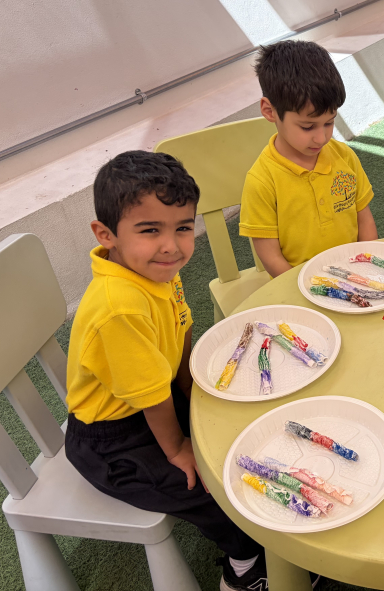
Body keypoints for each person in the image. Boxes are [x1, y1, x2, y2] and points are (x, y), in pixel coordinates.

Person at [63, 151, 269, 591]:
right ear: (106, 235)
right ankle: (245, 567)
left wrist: (193, 393)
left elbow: (181, 328)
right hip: (112, 441)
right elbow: (150, 395)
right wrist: (178, 448)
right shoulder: (118, 307)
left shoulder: (157, 270)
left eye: (183, 228)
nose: (172, 245)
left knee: (236, 435)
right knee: (210, 486)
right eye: (150, 230)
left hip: (157, 397)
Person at [239, 40, 377, 277]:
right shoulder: (262, 181)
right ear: (270, 111)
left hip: (356, 276)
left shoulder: (344, 157)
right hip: (297, 284)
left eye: (329, 122)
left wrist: (367, 268)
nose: (321, 138)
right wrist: (304, 288)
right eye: (307, 126)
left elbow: (364, 221)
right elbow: (270, 256)